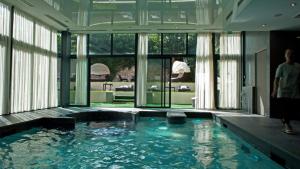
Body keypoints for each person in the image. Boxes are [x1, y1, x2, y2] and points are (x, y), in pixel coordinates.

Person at [272, 48, 300, 134]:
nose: (290, 56)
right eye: (288, 54)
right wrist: (275, 90)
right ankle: (287, 125)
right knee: (285, 108)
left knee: (292, 109)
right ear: (285, 56)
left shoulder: (298, 66)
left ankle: (285, 121)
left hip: (294, 91)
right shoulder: (282, 66)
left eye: (291, 54)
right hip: (283, 91)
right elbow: (276, 79)